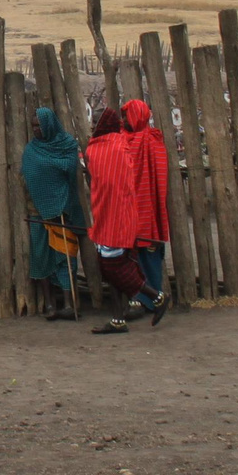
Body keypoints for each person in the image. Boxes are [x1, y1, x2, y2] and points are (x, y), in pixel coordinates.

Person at [83, 107, 168, 332]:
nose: (92, 125)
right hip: (118, 213)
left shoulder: (99, 148)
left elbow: (98, 178)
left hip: (113, 216)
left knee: (112, 267)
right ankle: (118, 319)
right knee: (116, 266)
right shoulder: (122, 144)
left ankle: (157, 296)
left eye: (95, 121)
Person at [21, 105, 90, 321]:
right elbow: (29, 176)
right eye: (33, 127)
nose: (36, 131)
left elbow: (70, 169)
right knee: (41, 257)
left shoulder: (67, 145)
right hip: (37, 211)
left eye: (39, 126)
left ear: (49, 125)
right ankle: (50, 304)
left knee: (65, 258)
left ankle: (70, 304)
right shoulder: (31, 151)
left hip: (63, 209)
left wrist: (51, 171)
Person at [119, 98, 174, 300]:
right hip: (127, 207)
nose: (122, 120)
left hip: (148, 207)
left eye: (126, 115)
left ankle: (151, 301)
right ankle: (137, 300)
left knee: (148, 253)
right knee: (128, 256)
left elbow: (158, 179)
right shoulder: (121, 139)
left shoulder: (153, 141)